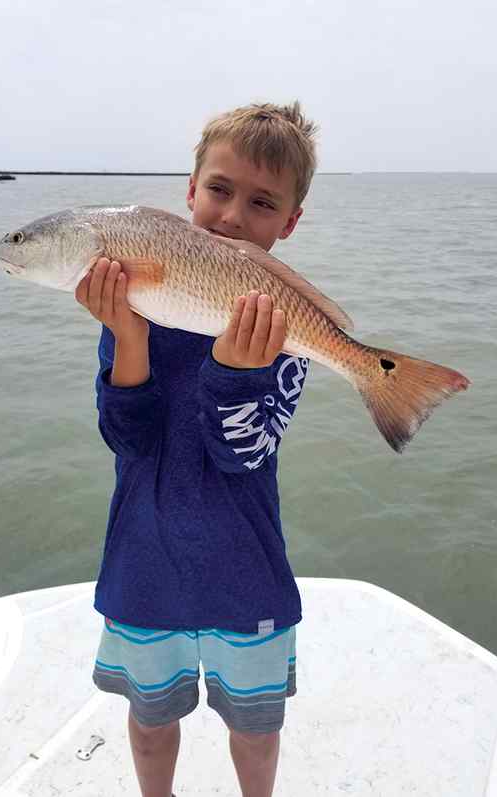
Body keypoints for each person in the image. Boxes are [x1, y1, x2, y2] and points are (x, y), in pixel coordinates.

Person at [76, 101, 318, 797]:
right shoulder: (141, 300)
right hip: (144, 565)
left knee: (255, 728)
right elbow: (127, 438)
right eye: (219, 189)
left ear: (289, 222)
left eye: (262, 201)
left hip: (247, 571)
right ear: (190, 190)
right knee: (150, 724)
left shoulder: (286, 332)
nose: (235, 215)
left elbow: (242, 455)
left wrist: (235, 372)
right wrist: (126, 336)